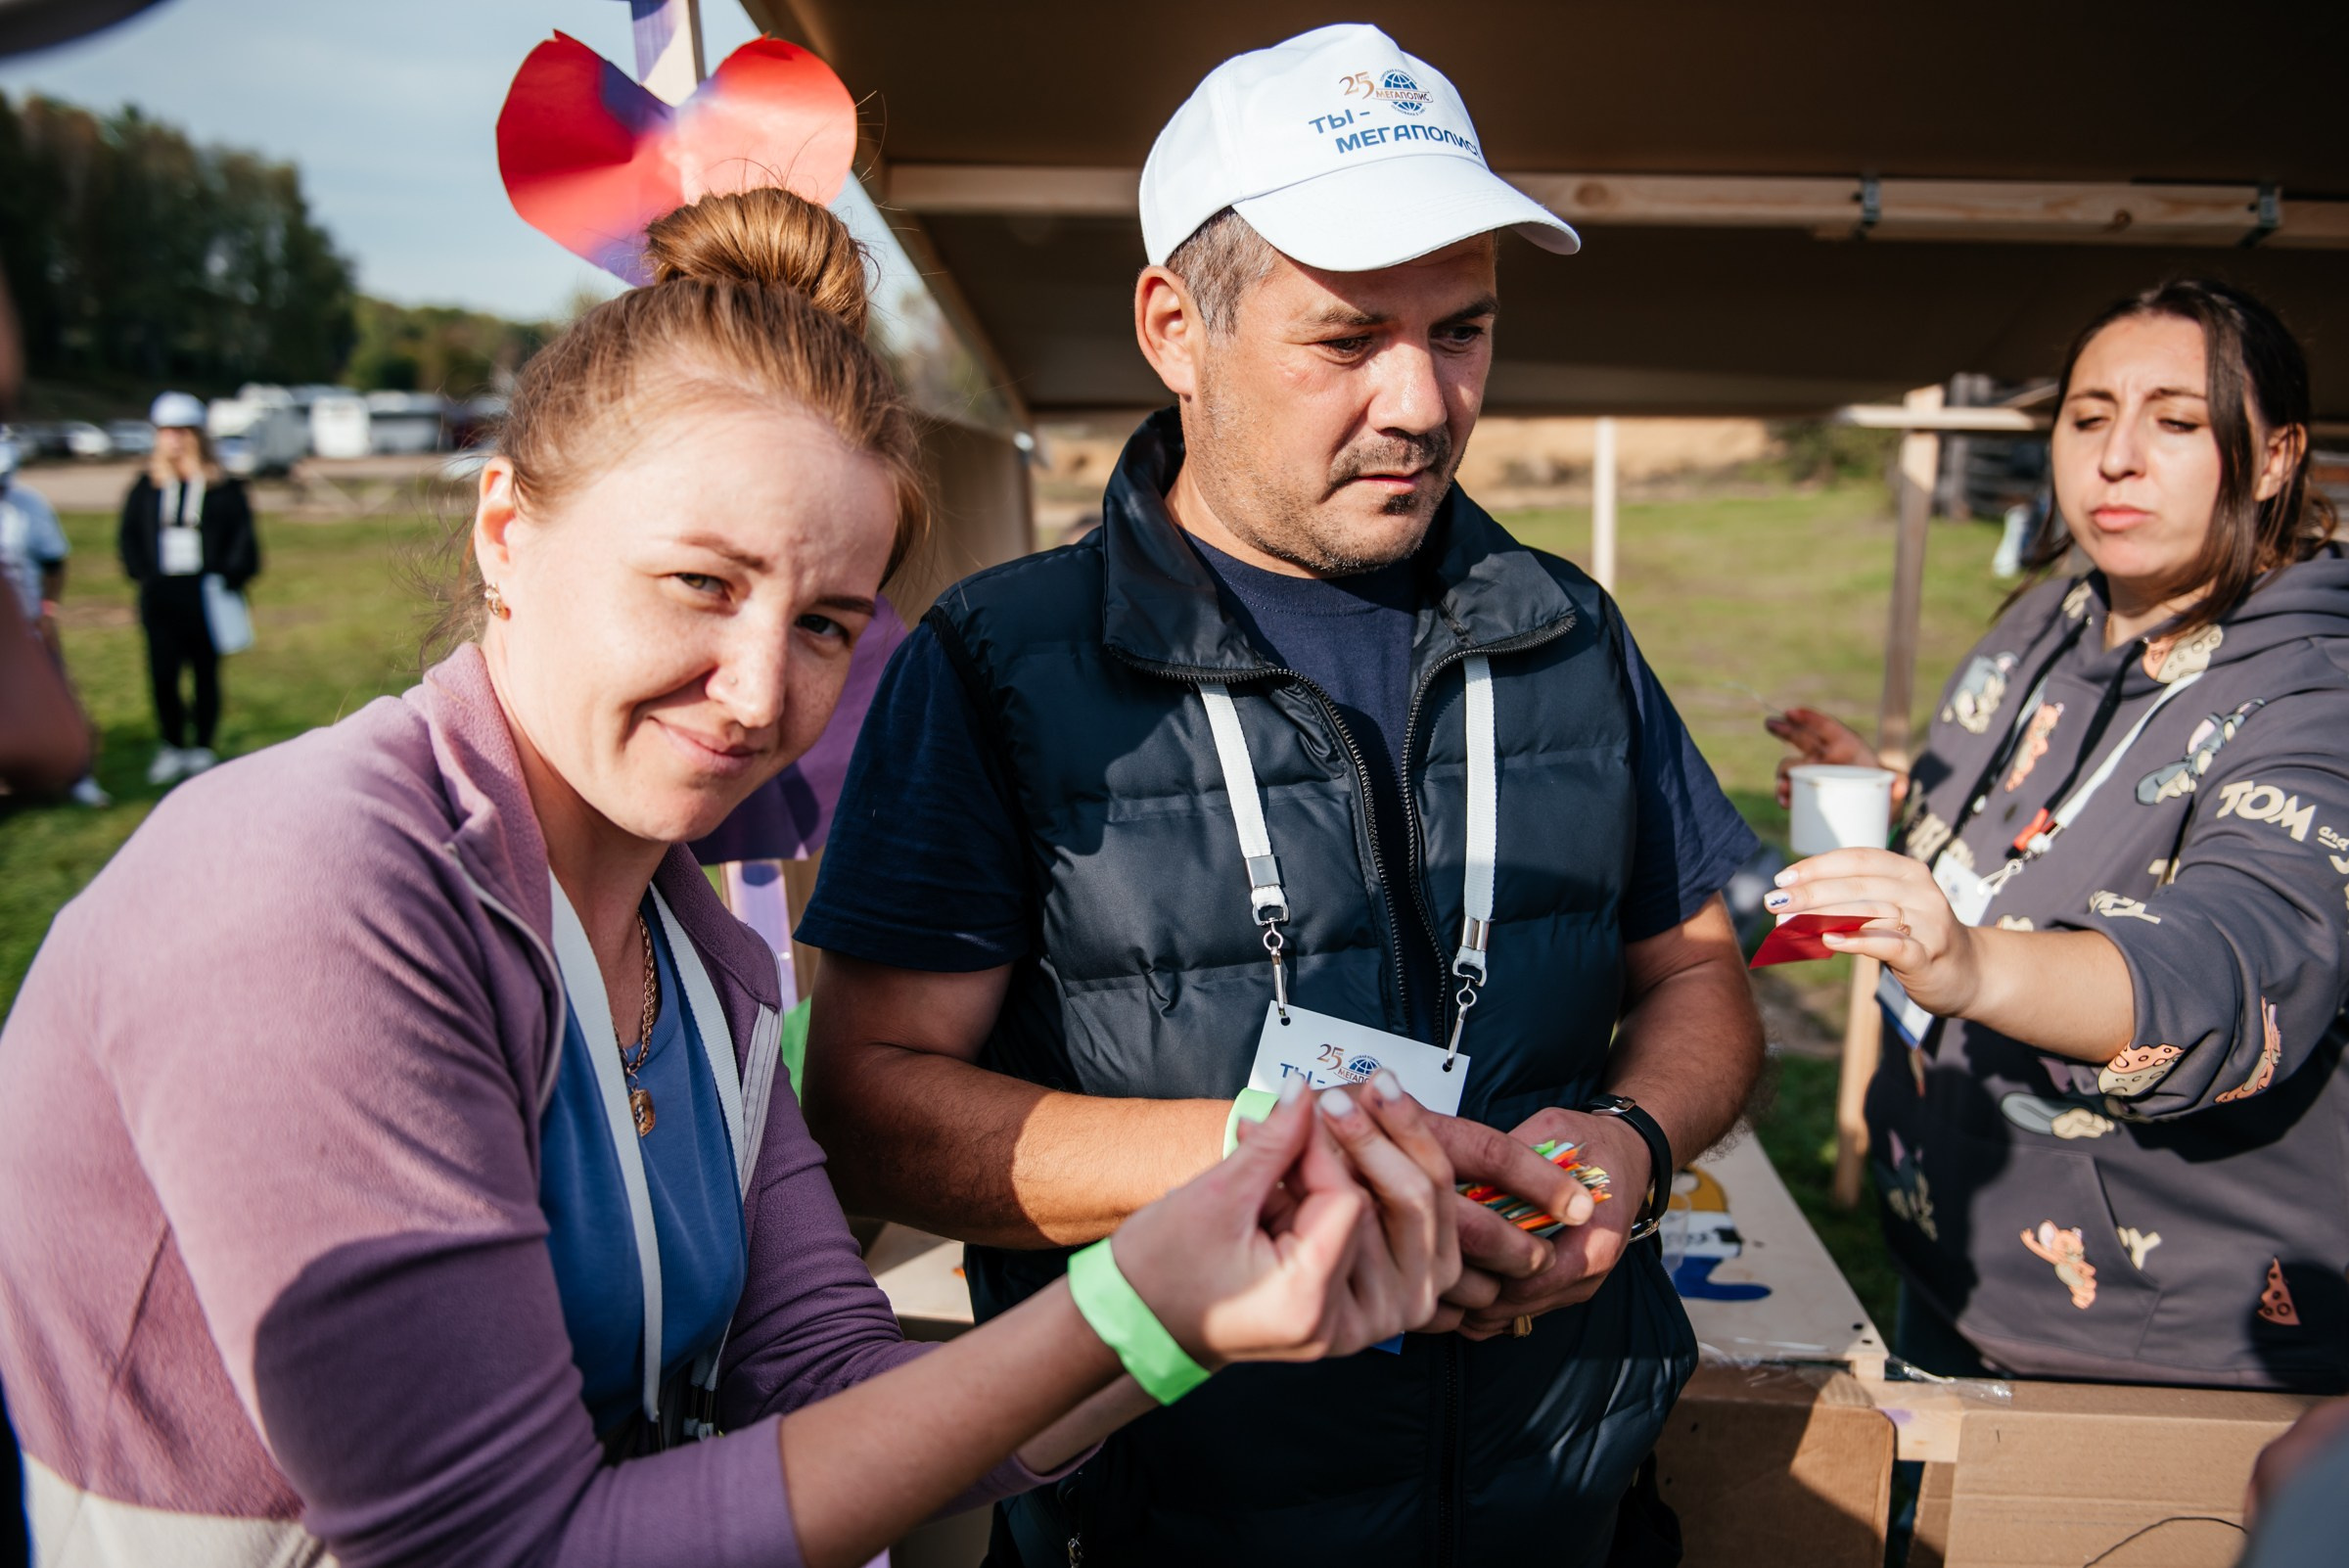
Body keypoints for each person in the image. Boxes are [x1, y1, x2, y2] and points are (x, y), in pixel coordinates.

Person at [0, 186, 1463, 1568]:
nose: (761, 692)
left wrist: (1206, 1296)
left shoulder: (699, 958)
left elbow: (824, 1378)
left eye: (827, 622)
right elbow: (501, 1547)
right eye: (701, 584)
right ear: (507, 530)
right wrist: (1130, 1307)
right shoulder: (314, 893)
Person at [798, 24, 1766, 1566]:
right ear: (1176, 328)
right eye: (1348, 337)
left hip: (1562, 1505)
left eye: (1463, 329)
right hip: (1169, 1521)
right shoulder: (1001, 663)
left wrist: (1630, 1145)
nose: (1423, 399)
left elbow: (1700, 970)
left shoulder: (1569, 628)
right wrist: (1267, 1154)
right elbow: (868, 1108)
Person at [1766, 279, 2349, 1390]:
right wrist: (1904, 803)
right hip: (1952, 1256)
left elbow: (2244, 962)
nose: (2115, 459)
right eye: (2088, 417)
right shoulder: (2056, 611)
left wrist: (1973, 966)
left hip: (2156, 1351)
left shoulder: (2319, 691)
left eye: (2176, 421)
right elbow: (2045, 839)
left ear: (2276, 459)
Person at [118, 390, 258, 786]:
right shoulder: (146, 487)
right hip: (161, 593)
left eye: (182, 431)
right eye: (167, 431)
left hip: (207, 592)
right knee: (162, 673)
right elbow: (129, 536)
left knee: (204, 672)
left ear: (197, 435)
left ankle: (202, 745)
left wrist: (229, 574)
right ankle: (172, 743)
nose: (175, 440)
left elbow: (243, 539)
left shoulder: (223, 487)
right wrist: (144, 574)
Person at [0, 435, 105, 804]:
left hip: (28, 624)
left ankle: (80, 775)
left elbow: (54, 563)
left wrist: (47, 611)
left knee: (56, 694)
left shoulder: (29, 506)